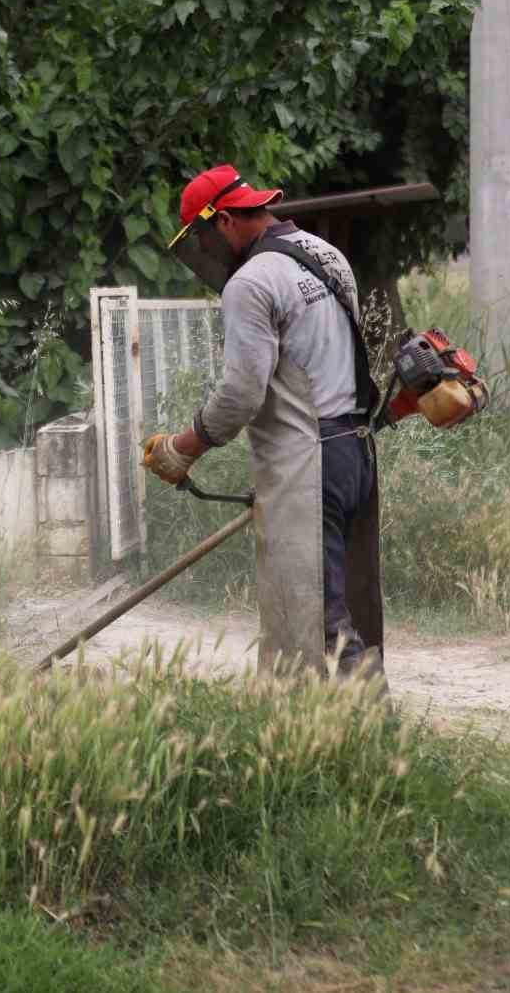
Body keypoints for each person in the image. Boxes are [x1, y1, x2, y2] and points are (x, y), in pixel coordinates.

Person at [142, 164, 384, 683]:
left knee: (319, 620)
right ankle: (330, 743)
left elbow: (240, 393)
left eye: (204, 237)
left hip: (309, 463)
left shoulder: (251, 283)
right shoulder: (325, 254)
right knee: (337, 604)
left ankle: (374, 738)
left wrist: (183, 447)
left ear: (225, 221)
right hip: (356, 452)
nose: (206, 251)